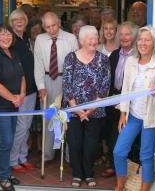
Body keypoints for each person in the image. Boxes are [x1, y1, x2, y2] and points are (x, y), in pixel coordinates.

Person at [113, 26, 155, 191]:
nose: (143, 43)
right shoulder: (131, 62)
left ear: (154, 42)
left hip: (151, 118)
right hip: (133, 116)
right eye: (140, 39)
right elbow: (126, 89)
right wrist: (123, 114)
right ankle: (120, 186)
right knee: (119, 151)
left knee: (146, 156)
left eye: (147, 40)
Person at [63, 25, 110, 188]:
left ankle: (88, 173)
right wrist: (77, 109)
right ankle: (77, 173)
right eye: (89, 38)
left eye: (95, 37)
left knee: (90, 144)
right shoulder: (71, 58)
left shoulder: (103, 59)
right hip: (73, 109)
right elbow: (67, 85)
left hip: (95, 110)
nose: (93, 41)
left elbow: (105, 85)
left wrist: (91, 109)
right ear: (81, 40)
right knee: (75, 143)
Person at [34, 11, 78, 162]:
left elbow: (75, 65)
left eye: (53, 25)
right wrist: (40, 86)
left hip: (65, 79)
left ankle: (68, 155)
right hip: (47, 79)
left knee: (66, 118)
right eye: (47, 27)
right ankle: (48, 154)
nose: (51, 30)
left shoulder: (71, 39)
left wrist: (71, 87)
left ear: (58, 23)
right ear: (43, 27)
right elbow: (38, 64)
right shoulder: (40, 39)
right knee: (48, 117)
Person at [0, 25, 25, 191]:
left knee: (9, 141)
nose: (5, 37)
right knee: (6, 141)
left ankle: (6, 171)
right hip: (2, 106)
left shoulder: (13, 53)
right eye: (2, 35)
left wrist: (22, 95)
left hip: (14, 105)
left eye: (8, 34)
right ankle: (3, 176)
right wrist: (13, 98)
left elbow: (22, 76)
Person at [102, 22, 137, 178]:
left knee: (126, 134)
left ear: (134, 36)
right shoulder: (115, 54)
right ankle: (112, 164)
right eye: (121, 34)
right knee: (111, 133)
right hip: (113, 98)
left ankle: (127, 168)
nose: (124, 38)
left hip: (129, 99)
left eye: (127, 34)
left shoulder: (137, 55)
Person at [8, 9, 37, 173]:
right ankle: (13, 160)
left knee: (26, 126)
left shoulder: (26, 39)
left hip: (31, 89)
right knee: (20, 127)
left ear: (26, 21)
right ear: (11, 23)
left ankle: (22, 156)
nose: (19, 22)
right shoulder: (11, 41)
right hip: (19, 91)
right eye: (15, 20)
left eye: (21, 19)